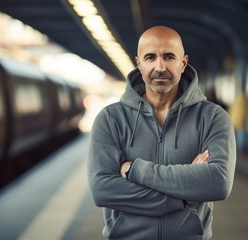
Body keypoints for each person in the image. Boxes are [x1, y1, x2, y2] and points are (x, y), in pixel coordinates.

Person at [88, 25, 236, 240]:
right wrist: (183, 198)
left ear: (183, 63)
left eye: (168, 56)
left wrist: (134, 171)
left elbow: (218, 183)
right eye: (150, 57)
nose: (160, 66)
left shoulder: (212, 117)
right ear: (138, 63)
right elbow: (103, 189)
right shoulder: (111, 119)